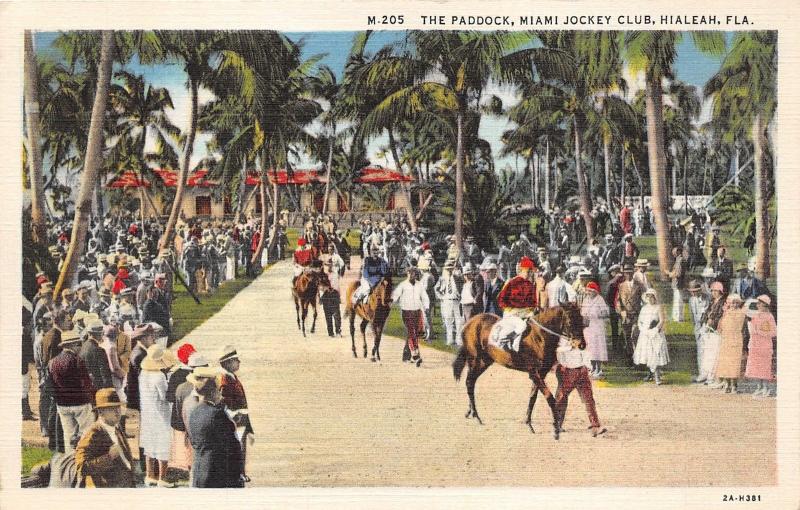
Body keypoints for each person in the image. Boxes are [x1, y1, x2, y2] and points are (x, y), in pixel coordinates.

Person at [187, 368, 245, 488]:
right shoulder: (217, 414)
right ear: (214, 391)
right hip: (217, 474)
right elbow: (233, 447)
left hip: (199, 471)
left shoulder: (194, 412)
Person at [74, 388, 136, 488]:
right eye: (111, 408)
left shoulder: (116, 427)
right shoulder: (94, 433)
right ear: (101, 412)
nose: (117, 412)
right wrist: (109, 457)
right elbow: (81, 467)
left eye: (118, 407)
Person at [48, 329, 95, 453]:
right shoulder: (77, 360)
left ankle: (70, 462)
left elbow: (50, 385)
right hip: (81, 403)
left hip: (62, 404)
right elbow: (86, 384)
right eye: (78, 344)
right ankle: (84, 460)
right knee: (86, 434)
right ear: (71, 346)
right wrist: (92, 400)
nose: (80, 347)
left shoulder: (52, 362)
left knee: (68, 436)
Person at [138, 343, 177, 487]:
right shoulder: (159, 376)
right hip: (160, 412)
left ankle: (149, 475)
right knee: (162, 444)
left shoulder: (143, 373)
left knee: (149, 443)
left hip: (148, 411)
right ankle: (162, 478)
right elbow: (164, 396)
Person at [554, 337, 605, 439]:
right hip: (568, 372)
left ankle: (595, 426)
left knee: (589, 399)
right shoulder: (563, 339)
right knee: (561, 398)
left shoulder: (582, 342)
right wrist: (570, 346)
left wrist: (587, 367)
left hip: (582, 372)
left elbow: (586, 354)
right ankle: (557, 424)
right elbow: (558, 351)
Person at [218, 346, 254, 483]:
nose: (239, 362)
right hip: (235, 421)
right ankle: (238, 472)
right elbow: (225, 404)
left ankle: (241, 472)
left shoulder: (232, 377)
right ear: (227, 363)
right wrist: (236, 415)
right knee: (238, 448)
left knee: (241, 447)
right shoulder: (225, 381)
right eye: (235, 360)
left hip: (240, 420)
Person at [391, 267, 430, 367]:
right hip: (407, 311)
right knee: (411, 331)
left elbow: (424, 296)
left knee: (416, 332)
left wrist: (426, 307)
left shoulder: (419, 285)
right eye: (409, 273)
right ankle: (415, 354)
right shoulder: (403, 285)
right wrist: (391, 301)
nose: (411, 275)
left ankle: (410, 355)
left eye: (413, 273)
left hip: (417, 311)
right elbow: (396, 295)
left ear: (415, 275)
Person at [633, 289, 670, 385]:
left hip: (655, 334)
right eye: (648, 296)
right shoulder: (644, 308)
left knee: (655, 354)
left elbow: (661, 320)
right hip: (645, 334)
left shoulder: (658, 307)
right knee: (648, 354)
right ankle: (651, 374)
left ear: (655, 297)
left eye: (651, 296)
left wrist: (655, 330)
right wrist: (643, 329)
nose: (650, 298)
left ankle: (657, 376)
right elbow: (640, 321)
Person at [745, 295, 776, 398]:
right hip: (755, 345)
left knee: (764, 367)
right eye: (757, 303)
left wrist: (759, 332)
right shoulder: (755, 315)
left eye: (760, 303)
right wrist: (750, 301)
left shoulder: (769, 316)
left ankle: (766, 388)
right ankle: (759, 387)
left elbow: (773, 332)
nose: (757, 305)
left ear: (765, 305)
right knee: (756, 367)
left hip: (765, 345)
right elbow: (744, 310)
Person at [715, 294, 747, 393]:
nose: (733, 304)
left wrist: (727, 312)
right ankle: (727, 384)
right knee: (725, 363)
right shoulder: (726, 312)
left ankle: (734, 385)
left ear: (738, 303)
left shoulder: (741, 313)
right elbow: (721, 326)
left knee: (734, 363)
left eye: (735, 302)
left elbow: (737, 324)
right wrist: (724, 313)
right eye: (731, 302)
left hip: (735, 339)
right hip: (726, 340)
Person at [699, 281, 727, 386]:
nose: (714, 293)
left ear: (720, 292)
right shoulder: (712, 301)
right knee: (708, 353)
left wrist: (712, 323)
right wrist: (704, 321)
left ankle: (713, 376)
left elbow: (720, 316)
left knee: (715, 353)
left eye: (716, 291)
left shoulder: (722, 303)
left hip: (715, 330)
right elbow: (706, 313)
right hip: (708, 330)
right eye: (713, 291)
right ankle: (708, 375)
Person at [581, 282, 609, 378]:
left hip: (597, 326)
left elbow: (605, 313)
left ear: (595, 292)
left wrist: (596, 315)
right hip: (588, 327)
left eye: (591, 291)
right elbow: (583, 313)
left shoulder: (599, 299)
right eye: (588, 291)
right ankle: (592, 368)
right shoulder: (585, 300)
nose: (589, 293)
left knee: (598, 348)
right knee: (590, 348)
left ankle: (598, 368)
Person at [435, 261, 464, 347]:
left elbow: (462, 287)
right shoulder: (442, 279)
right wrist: (441, 297)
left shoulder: (458, 277)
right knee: (448, 320)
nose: (449, 270)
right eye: (447, 269)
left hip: (456, 300)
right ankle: (450, 339)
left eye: (451, 269)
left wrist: (460, 295)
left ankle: (459, 340)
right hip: (447, 300)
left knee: (458, 321)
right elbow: (436, 288)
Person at [687, 279, 711, 383]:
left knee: (709, 350)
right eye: (692, 291)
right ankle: (702, 373)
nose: (693, 293)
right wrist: (696, 328)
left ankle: (709, 374)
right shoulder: (691, 300)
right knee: (700, 351)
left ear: (700, 290)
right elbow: (692, 315)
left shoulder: (707, 298)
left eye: (695, 291)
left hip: (707, 327)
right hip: (698, 327)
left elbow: (709, 313)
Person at [79, 320, 114, 391]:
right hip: (100, 389)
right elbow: (105, 374)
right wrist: (110, 391)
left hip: (88, 387)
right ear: (100, 333)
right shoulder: (99, 350)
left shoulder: (83, 347)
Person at [666, 246, 687, 322]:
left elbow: (678, 274)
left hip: (679, 283)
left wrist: (669, 274)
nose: (673, 253)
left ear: (678, 252)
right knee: (677, 300)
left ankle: (679, 318)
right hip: (677, 284)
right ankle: (676, 317)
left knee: (678, 301)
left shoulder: (680, 260)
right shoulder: (678, 260)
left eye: (674, 252)